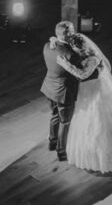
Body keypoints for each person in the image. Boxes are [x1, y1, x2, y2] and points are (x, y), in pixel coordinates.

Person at [64, 33, 112, 173]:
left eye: (77, 48)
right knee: (86, 120)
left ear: (83, 46)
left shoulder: (93, 59)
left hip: (95, 91)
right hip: (86, 90)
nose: (75, 51)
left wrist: (65, 64)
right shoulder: (83, 55)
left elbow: (83, 74)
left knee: (99, 120)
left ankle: (107, 156)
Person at [40, 21, 96, 162]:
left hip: (49, 88)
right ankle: (62, 151)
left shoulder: (47, 46)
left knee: (54, 115)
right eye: (71, 31)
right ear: (65, 34)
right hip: (64, 92)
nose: (73, 32)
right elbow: (81, 73)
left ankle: (52, 142)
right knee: (65, 122)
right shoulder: (71, 54)